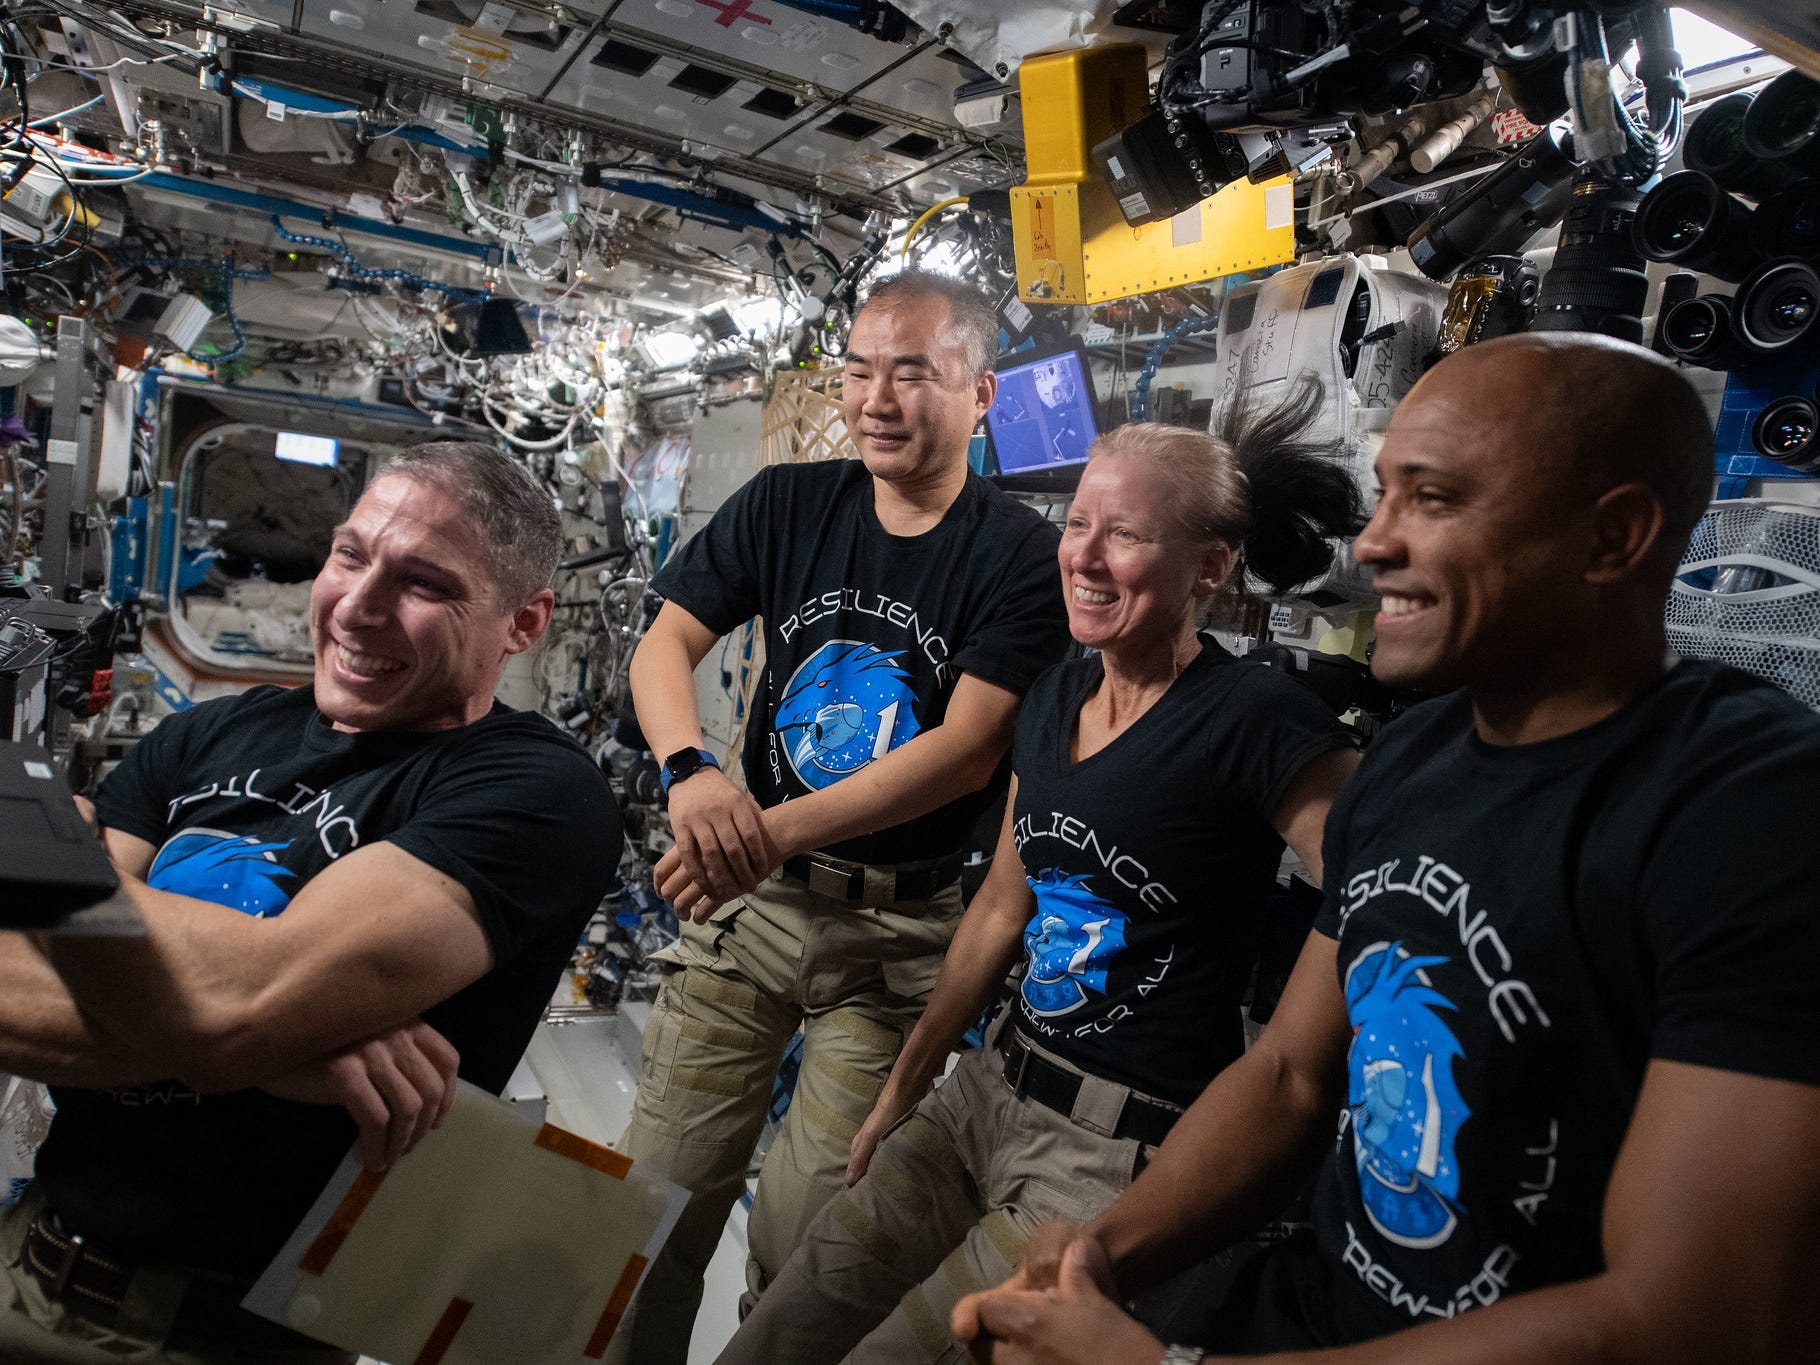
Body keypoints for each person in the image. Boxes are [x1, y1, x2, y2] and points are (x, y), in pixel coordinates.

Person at [952, 334, 1820, 1365]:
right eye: (1382, 495)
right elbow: (1286, 1075)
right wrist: (1098, 1259)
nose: (1370, 543)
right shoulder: (1412, 762)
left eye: (1434, 498)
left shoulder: (1748, 806)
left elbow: (1689, 1314)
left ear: (1612, 536)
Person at [718, 388, 1366, 1365]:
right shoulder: (1059, 686)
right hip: (985, 1091)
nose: (1085, 555)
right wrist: (907, 1081)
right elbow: (1000, 905)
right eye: (1077, 524)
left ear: (1210, 568)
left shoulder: (1258, 722)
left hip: (1110, 1157)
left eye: (1127, 535)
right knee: (789, 1317)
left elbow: (1378, 902)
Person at [0, 441, 621, 1364]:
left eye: (422, 583)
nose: (359, 607)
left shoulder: (534, 791)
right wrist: (284, 1050)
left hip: (230, 1335)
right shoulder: (211, 729)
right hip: (26, 1256)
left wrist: (55, 855)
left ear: (524, 622)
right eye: (348, 555)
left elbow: (231, 1005)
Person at [611, 271, 1073, 1363]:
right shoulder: (788, 504)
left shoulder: (1017, 557)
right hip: (754, 909)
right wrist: (689, 774)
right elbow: (663, 644)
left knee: (808, 1235)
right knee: (650, 1203)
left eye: (912, 372)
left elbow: (962, 756)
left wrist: (758, 828)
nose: (876, 398)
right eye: (859, 370)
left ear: (979, 397)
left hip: (895, 941)